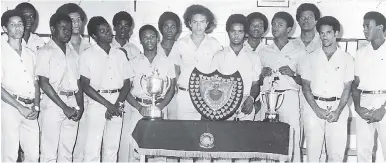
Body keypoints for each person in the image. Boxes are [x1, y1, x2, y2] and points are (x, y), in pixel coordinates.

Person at [80, 16, 132, 162]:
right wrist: (108, 105)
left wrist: (117, 104)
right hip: (97, 103)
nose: (108, 33)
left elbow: (127, 83)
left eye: (108, 29)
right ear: (94, 36)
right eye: (103, 31)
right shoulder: (87, 55)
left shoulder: (120, 54)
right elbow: (85, 85)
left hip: (117, 102)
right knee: (92, 148)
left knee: (112, 147)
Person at [301, 16, 353, 162]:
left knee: (336, 154)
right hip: (313, 108)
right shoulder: (310, 57)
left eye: (328, 32)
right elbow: (305, 87)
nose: (325, 36)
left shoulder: (347, 58)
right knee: (313, 153)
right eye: (322, 33)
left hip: (338, 108)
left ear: (336, 33)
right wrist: (317, 109)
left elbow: (347, 88)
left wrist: (338, 111)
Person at [257, 11, 305, 162]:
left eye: (280, 24)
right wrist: (261, 75)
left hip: (289, 97)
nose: (275, 27)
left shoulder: (299, 51)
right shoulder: (263, 51)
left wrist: (293, 74)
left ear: (289, 29)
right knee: (266, 137)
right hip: (267, 99)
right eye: (273, 24)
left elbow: (306, 80)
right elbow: (256, 81)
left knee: (292, 136)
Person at [125, 24, 177, 162]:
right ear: (140, 41)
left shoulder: (167, 63)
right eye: (145, 38)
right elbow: (125, 90)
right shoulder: (132, 63)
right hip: (138, 109)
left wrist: (159, 108)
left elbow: (171, 88)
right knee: (136, 148)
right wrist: (139, 107)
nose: (149, 40)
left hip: (160, 108)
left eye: (152, 37)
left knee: (159, 148)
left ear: (158, 39)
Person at [36, 12, 83, 162]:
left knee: (67, 152)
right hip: (53, 104)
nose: (67, 32)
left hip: (72, 103)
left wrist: (80, 106)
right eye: (63, 28)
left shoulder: (73, 54)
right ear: (52, 29)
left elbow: (78, 82)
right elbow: (43, 83)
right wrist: (64, 107)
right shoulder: (45, 52)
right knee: (49, 153)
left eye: (69, 29)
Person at [169, 4, 223, 120]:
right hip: (185, 96)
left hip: (207, 96)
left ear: (207, 24)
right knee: (186, 133)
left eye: (202, 22)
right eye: (195, 22)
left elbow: (220, 70)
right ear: (189, 23)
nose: (198, 26)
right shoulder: (180, 44)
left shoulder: (215, 44)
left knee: (205, 134)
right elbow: (175, 69)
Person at [1, 9, 39, 162]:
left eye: (20, 24)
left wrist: (36, 106)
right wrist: (19, 107)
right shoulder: (1, 52)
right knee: (8, 155)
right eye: (12, 24)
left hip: (30, 109)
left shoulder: (31, 54)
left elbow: (36, 82)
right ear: (5, 28)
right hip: (9, 108)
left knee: (33, 155)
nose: (17, 28)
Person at [55, 4, 91, 162]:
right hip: (63, 101)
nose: (76, 23)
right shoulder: (59, 46)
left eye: (79, 19)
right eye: (72, 20)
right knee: (62, 148)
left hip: (87, 101)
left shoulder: (90, 46)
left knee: (82, 145)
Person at [211, 14, 261, 121]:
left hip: (246, 105)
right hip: (223, 105)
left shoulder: (253, 56)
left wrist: (251, 99)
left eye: (240, 31)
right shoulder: (218, 56)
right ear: (228, 32)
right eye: (233, 31)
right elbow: (212, 84)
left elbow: (255, 84)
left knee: (245, 137)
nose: (236, 35)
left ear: (245, 33)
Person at [352, 11, 386, 162]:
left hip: (384, 103)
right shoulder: (360, 53)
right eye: (363, 26)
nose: (364, 30)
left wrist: (384, 109)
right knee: (363, 151)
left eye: (368, 26)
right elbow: (356, 84)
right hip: (364, 103)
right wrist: (358, 107)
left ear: (380, 27)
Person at [292, 3, 323, 158]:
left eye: (310, 17)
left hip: (315, 101)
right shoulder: (291, 45)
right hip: (293, 100)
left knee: (316, 148)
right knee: (292, 144)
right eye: (302, 17)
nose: (306, 20)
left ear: (316, 20)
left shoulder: (324, 43)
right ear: (298, 21)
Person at [158, 11, 181, 120]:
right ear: (161, 28)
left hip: (177, 97)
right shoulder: (153, 49)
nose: (169, 30)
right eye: (166, 26)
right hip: (158, 97)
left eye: (173, 27)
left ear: (177, 29)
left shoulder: (182, 48)